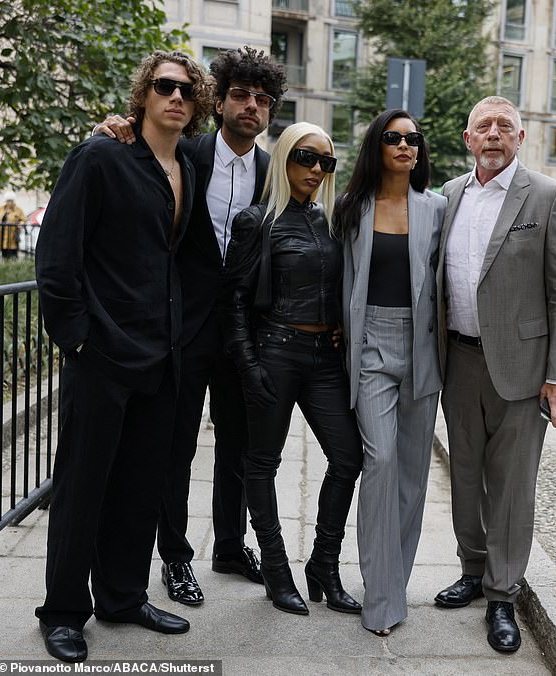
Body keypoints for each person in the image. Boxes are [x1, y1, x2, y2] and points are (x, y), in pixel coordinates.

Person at [34, 50, 211, 662]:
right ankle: (62, 612)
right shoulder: (101, 156)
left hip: (163, 356)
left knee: (140, 486)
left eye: (187, 90)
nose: (176, 97)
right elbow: (57, 257)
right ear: (144, 93)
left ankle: (122, 595)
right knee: (83, 487)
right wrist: (77, 338)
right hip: (104, 353)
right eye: (164, 86)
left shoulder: (189, 160)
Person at [94, 47, 287, 605]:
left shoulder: (274, 170)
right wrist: (116, 126)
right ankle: (175, 557)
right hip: (186, 326)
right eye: (241, 95)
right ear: (219, 100)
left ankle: (229, 545)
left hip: (245, 331)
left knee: (239, 446)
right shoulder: (186, 153)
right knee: (174, 448)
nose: (251, 106)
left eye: (263, 99)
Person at [433, 96, 556, 653]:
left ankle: (501, 594)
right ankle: (472, 571)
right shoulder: (449, 196)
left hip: (523, 373)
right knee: (465, 477)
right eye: (482, 126)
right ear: (469, 139)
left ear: (521, 138)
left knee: (512, 489)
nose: (493, 134)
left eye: (505, 127)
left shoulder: (546, 197)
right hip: (459, 364)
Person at [222, 122, 363, 616]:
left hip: (325, 358)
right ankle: (277, 571)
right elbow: (234, 302)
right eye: (307, 158)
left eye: (327, 162)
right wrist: (246, 363)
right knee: (262, 462)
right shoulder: (256, 221)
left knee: (348, 459)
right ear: (284, 157)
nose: (318, 170)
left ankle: (323, 564)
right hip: (275, 351)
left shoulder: (330, 220)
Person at [335, 109, 446, 636]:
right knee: (379, 462)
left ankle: (394, 584)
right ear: (377, 147)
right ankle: (379, 597)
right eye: (393, 138)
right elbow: (339, 276)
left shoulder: (438, 208)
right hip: (371, 347)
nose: (405, 146)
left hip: (422, 348)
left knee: (412, 476)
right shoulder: (352, 207)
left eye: (413, 139)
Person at [0, 191, 25, 258]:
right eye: (8, 201)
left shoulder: (18, 210)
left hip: (12, 236)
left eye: (11, 201)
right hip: (1, 236)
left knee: (13, 254)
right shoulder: (0, 209)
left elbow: (23, 220)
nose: (9, 203)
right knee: (3, 254)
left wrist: (21, 224)